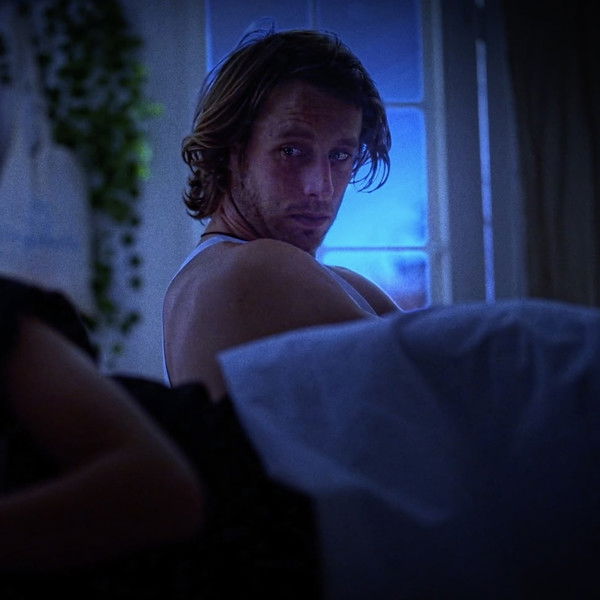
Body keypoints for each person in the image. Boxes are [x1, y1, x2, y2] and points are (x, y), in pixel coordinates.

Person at [163, 29, 401, 398]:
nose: (321, 187)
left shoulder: (335, 280)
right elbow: (452, 397)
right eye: (292, 151)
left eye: (340, 155)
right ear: (231, 150)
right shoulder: (256, 268)